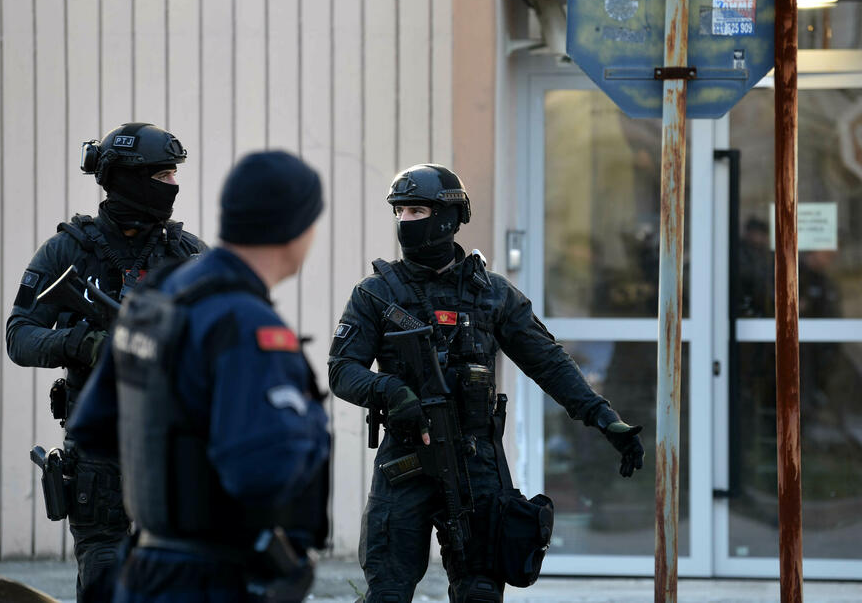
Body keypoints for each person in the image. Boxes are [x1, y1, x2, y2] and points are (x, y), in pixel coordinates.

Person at [328, 164, 645, 603]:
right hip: (406, 458)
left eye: (417, 210)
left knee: (479, 589)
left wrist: (603, 417)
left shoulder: (491, 294)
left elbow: (549, 363)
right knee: (388, 590)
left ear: (449, 217)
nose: (406, 222)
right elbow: (342, 370)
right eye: (400, 212)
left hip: (475, 460)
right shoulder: (376, 294)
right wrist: (392, 392)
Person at [67, 150, 331, 602]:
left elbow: (94, 428)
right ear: (294, 229)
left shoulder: (158, 296)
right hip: (214, 579)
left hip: (145, 569)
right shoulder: (247, 325)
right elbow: (262, 471)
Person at [5, 122, 207, 602]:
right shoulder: (69, 249)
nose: (173, 186)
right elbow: (20, 335)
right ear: (128, 179)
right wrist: (83, 344)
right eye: (162, 177)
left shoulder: (189, 255)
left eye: (174, 175)